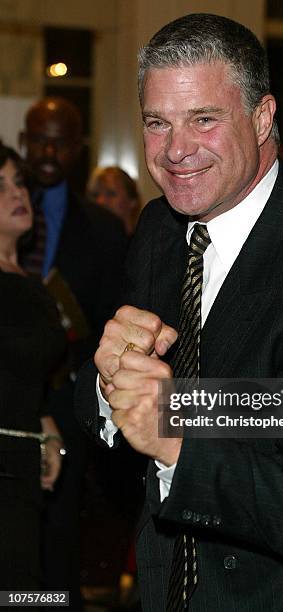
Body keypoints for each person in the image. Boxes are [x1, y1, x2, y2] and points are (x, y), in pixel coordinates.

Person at [76, 14, 283, 611]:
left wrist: (175, 438)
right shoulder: (157, 231)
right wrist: (109, 385)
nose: (175, 150)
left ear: (263, 116)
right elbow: (108, 401)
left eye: (203, 119)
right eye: (157, 122)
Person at [19, 97, 127, 606]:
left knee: (59, 535)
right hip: (7, 398)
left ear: (77, 149)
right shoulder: (4, 212)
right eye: (37, 138)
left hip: (66, 401)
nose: (46, 151)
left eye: (59, 141)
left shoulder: (103, 231)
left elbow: (112, 323)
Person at [0, 145, 66, 588]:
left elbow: (25, 372)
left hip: (23, 470)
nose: (16, 193)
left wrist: (46, 424)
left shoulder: (30, 282)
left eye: (18, 182)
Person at [87, 166, 141, 236]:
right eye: (95, 195)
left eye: (111, 194)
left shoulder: (146, 243)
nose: (100, 201)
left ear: (133, 200)